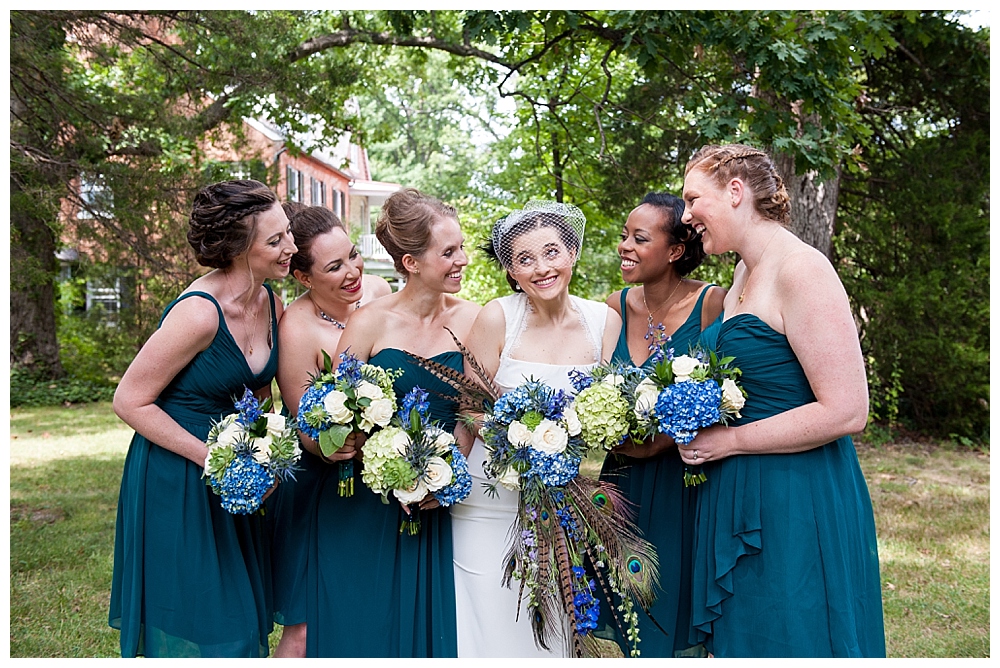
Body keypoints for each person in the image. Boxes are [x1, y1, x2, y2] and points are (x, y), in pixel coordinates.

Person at [678, 144, 885, 657]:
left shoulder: (801, 270)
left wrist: (731, 440)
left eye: (692, 199)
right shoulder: (742, 275)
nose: (685, 216)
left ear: (734, 192)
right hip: (737, 489)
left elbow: (847, 409)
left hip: (796, 496)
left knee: (793, 632)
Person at [108, 179, 297, 657]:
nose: (291, 247)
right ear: (238, 249)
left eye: (288, 233)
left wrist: (263, 456)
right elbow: (130, 400)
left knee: (242, 609)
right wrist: (215, 459)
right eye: (275, 241)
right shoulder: (199, 314)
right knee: (206, 618)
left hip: (234, 470)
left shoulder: (272, 304)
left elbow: (258, 395)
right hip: (177, 471)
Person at [307, 187, 479, 657]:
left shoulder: (475, 321)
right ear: (411, 262)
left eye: (461, 246)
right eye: (449, 251)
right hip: (366, 500)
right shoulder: (368, 323)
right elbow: (332, 406)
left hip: (440, 500)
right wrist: (341, 443)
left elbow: (472, 411)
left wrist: (444, 475)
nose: (462, 259)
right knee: (363, 624)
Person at [451, 201, 622, 657]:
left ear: (572, 253)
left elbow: (608, 419)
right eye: (525, 259)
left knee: (547, 634)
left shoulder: (604, 321)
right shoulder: (495, 317)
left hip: (562, 508)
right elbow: (468, 410)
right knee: (486, 626)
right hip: (488, 502)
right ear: (511, 269)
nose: (542, 268)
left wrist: (572, 475)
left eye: (552, 252)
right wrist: (518, 441)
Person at [596, 192, 725, 657]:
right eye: (624, 236)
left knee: (676, 597)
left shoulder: (713, 303)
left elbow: (728, 393)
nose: (624, 246)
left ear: (674, 251)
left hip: (684, 478)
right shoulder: (614, 304)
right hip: (621, 481)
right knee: (625, 603)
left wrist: (666, 439)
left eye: (639, 238)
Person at [269, 206, 391, 657]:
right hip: (323, 490)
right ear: (303, 277)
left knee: (368, 606)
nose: (353, 272)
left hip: (382, 484)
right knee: (304, 624)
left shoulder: (379, 292)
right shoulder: (297, 329)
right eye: (334, 266)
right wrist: (334, 444)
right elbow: (306, 426)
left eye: (353, 256)